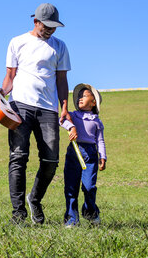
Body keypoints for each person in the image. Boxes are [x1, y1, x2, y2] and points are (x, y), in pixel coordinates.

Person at [0, 3, 71, 224]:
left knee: (51, 160)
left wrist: (65, 107)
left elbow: (61, 80)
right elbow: (10, 77)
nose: (50, 30)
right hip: (20, 105)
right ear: (35, 22)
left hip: (48, 109)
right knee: (18, 157)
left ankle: (35, 199)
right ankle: (18, 214)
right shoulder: (17, 42)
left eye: (54, 26)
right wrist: (1, 93)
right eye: (46, 26)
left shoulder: (60, 46)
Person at [60, 83, 106, 227]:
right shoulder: (72, 115)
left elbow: (100, 140)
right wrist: (70, 127)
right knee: (71, 187)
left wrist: (102, 157)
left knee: (89, 187)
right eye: (79, 96)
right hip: (74, 152)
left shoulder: (97, 122)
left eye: (85, 96)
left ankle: (90, 212)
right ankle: (72, 219)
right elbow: (61, 119)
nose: (80, 98)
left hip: (91, 155)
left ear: (93, 102)